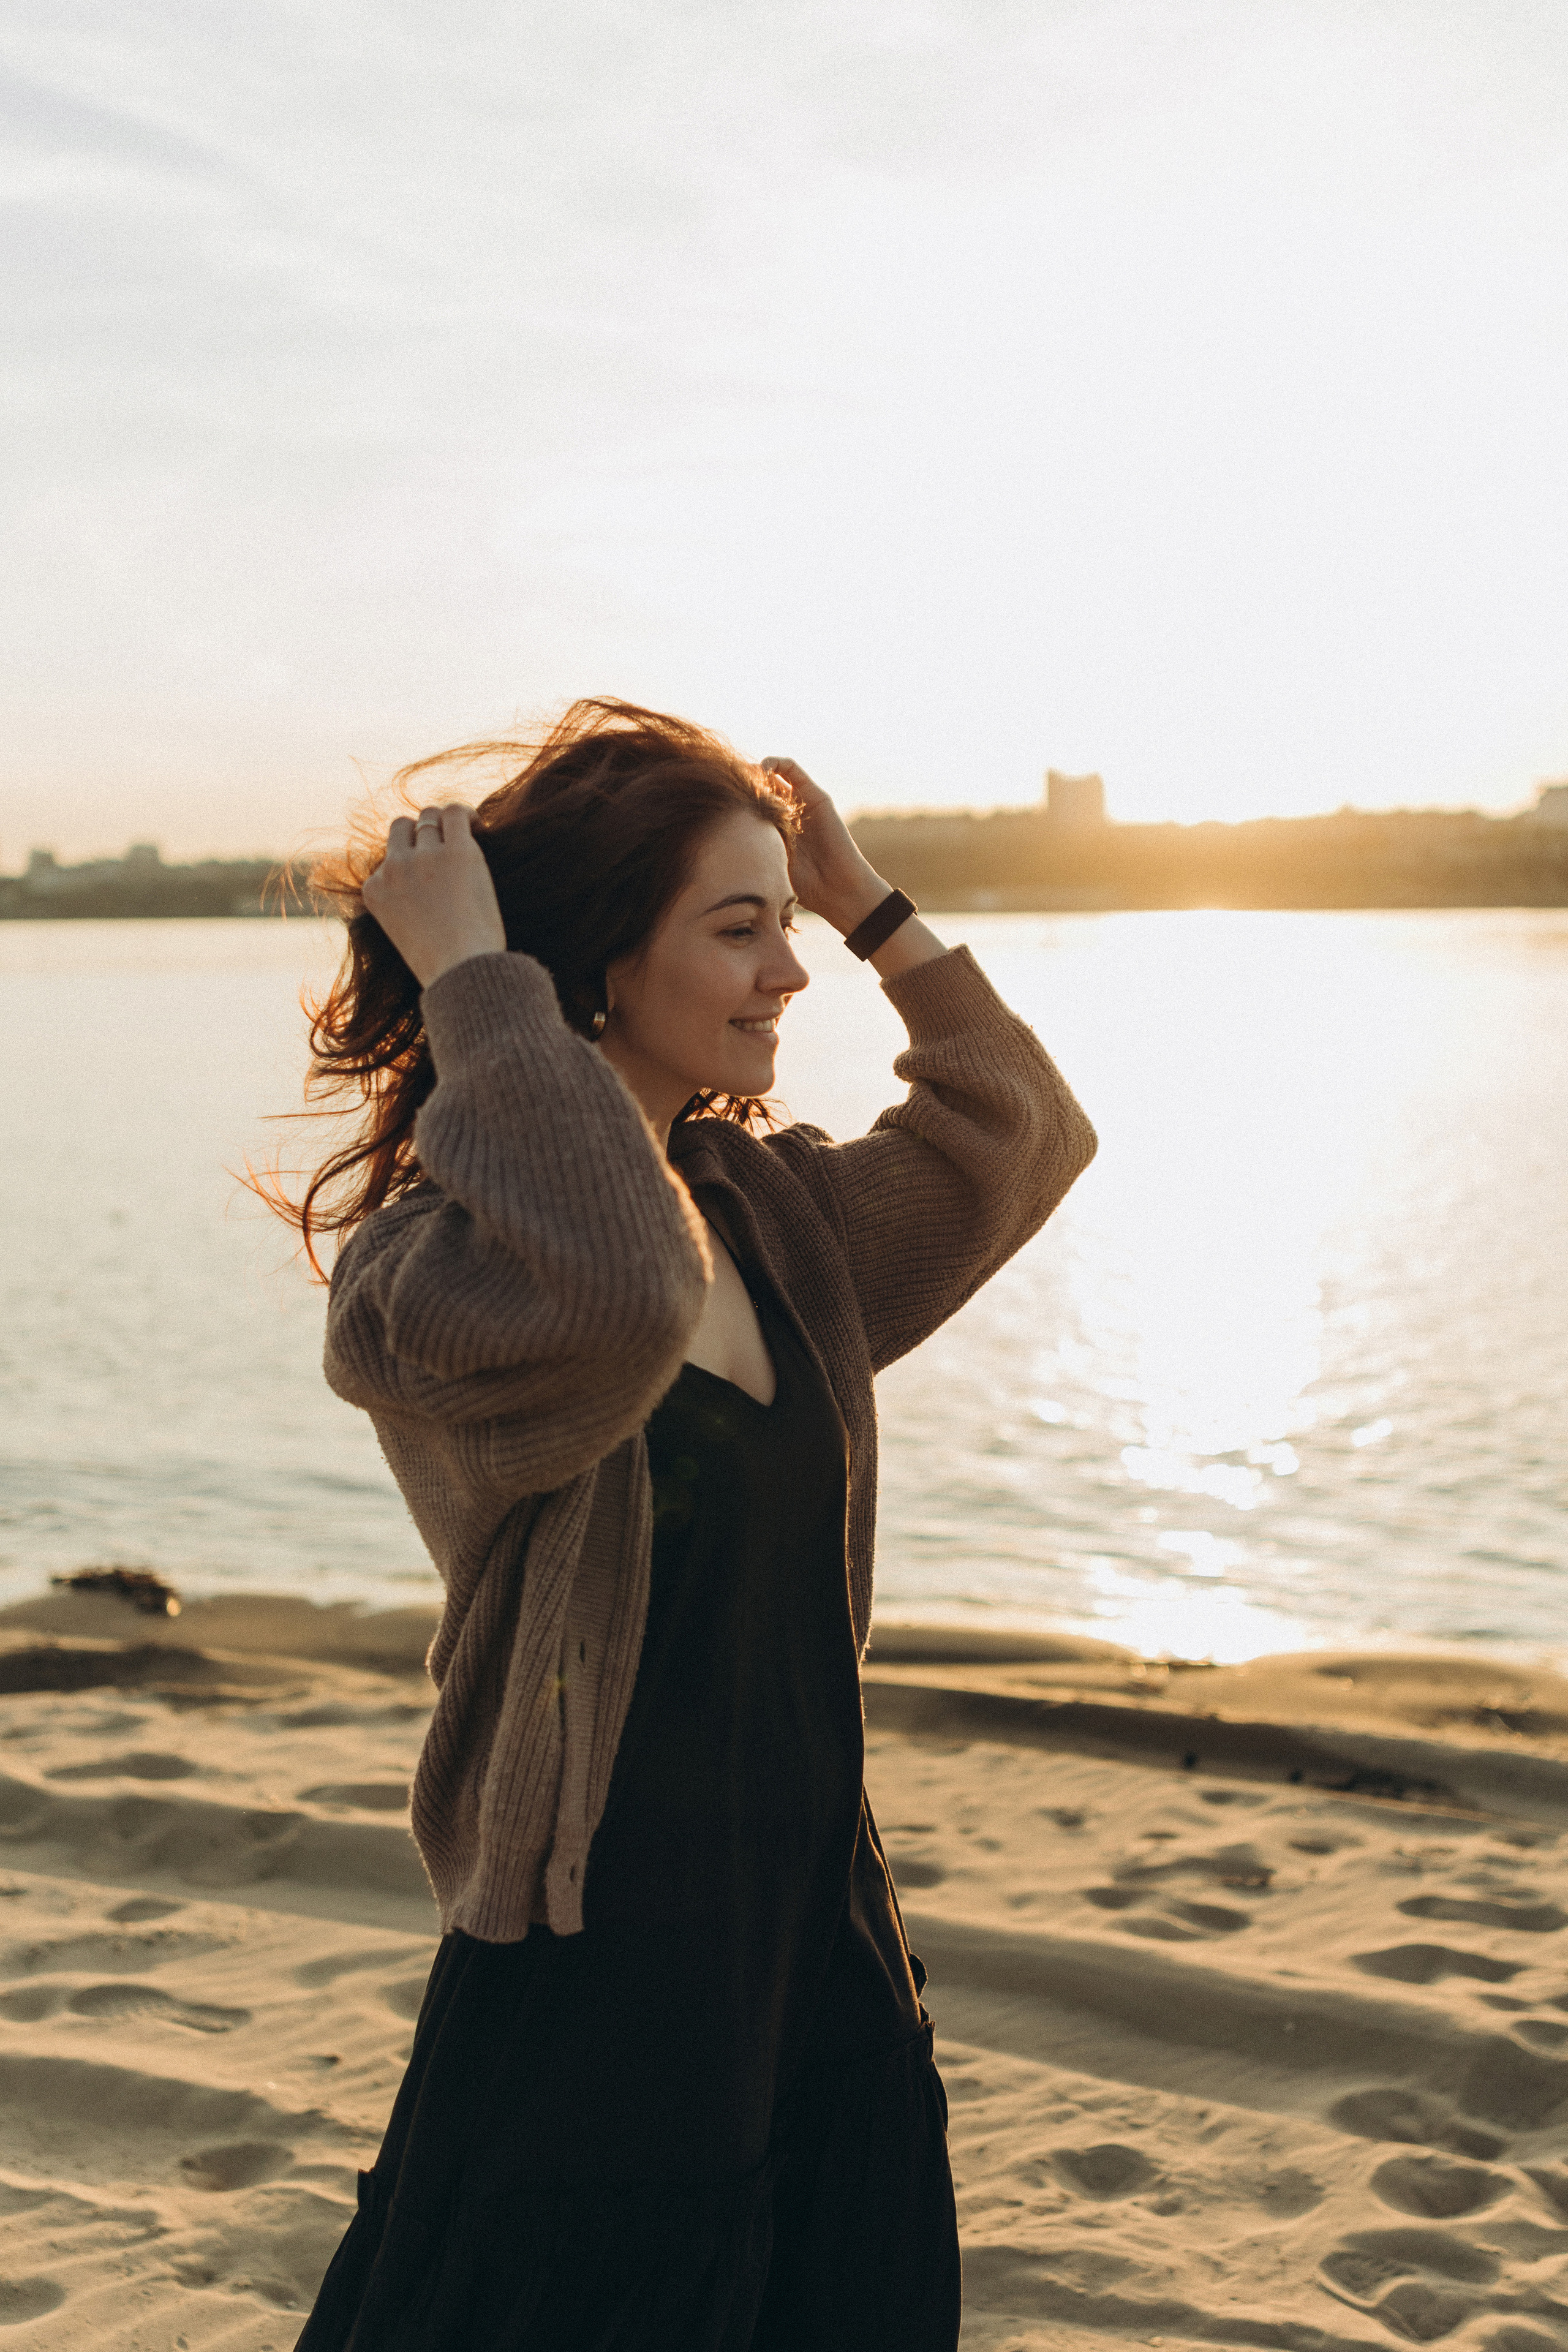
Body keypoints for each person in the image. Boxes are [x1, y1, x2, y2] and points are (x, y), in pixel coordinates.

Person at [280, 698, 1097, 2351]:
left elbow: (1019, 1134)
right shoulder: (425, 1278)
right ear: (590, 963)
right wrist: (478, 981)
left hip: (818, 1945)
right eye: (739, 931)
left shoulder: (768, 1213)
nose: (789, 973)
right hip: (600, 1981)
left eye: (786, 928)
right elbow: (622, 1290)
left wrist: (868, 903)